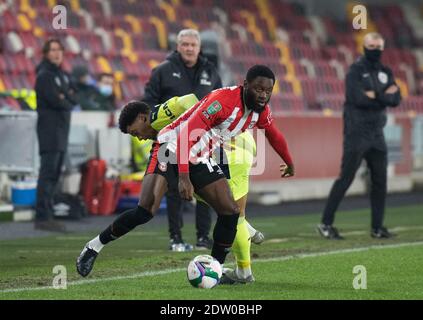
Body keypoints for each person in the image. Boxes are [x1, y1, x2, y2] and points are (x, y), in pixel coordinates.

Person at [76, 65, 295, 278]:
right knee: (146, 209)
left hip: (199, 157)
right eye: (258, 89)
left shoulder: (260, 111)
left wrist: (289, 161)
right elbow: (184, 137)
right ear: (245, 85)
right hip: (170, 149)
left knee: (230, 212)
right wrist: (184, 178)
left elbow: (273, 134)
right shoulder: (222, 102)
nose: (263, 95)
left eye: (268, 90)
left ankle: (214, 270)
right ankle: (94, 246)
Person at [143, 28, 223, 251]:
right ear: (177, 46)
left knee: (207, 189)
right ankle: (175, 238)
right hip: (171, 140)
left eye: (192, 45)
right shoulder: (162, 71)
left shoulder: (211, 71)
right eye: (185, 44)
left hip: (203, 139)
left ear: (199, 48)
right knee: (172, 188)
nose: (189, 48)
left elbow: (220, 102)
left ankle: (202, 238)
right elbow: (148, 104)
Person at [317, 33, 401, 240]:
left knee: (380, 181)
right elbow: (357, 98)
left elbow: (397, 98)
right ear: (364, 47)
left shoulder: (385, 71)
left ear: (383, 48)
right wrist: (384, 96)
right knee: (346, 178)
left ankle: (377, 228)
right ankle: (326, 224)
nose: (375, 49)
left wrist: (375, 95)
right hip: (357, 132)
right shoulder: (355, 71)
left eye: (378, 46)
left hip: (377, 134)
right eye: (371, 46)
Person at [34, 39, 77, 232]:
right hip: (49, 131)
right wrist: (65, 98)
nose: (56, 53)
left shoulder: (62, 75)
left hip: (61, 131)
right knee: (48, 174)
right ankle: (42, 216)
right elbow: (56, 101)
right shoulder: (44, 75)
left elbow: (73, 98)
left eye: (59, 49)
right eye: (52, 50)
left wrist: (65, 97)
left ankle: (48, 215)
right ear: (45, 53)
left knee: (55, 174)